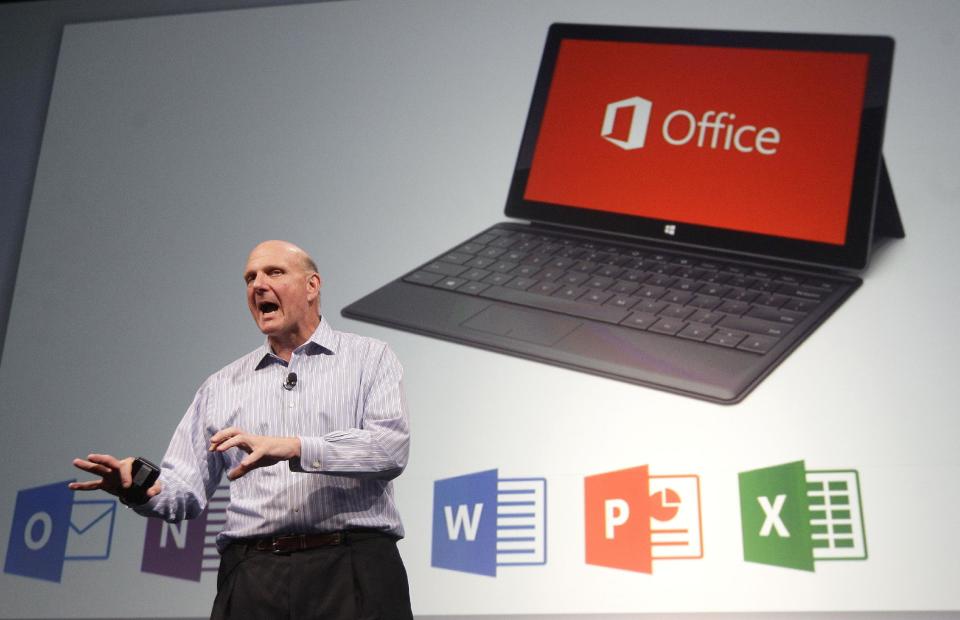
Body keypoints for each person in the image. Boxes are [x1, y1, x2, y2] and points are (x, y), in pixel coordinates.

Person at [70, 240, 412, 620]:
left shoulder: (370, 357)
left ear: (312, 286)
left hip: (352, 568)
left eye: (274, 273)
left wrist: (295, 447)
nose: (258, 285)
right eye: (250, 278)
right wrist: (140, 490)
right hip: (252, 577)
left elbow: (389, 447)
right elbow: (184, 490)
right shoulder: (221, 385)